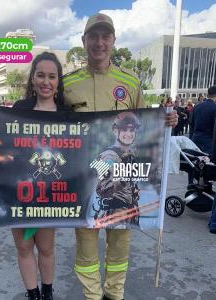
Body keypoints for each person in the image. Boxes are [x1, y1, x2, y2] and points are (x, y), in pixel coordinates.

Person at [63, 13, 178, 300]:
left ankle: (115, 294)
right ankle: (91, 295)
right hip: (84, 181)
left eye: (105, 36)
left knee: (120, 245)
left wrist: (167, 120)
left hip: (126, 181)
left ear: (113, 40)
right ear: (84, 41)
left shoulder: (130, 82)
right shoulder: (67, 84)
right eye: (93, 36)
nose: (99, 43)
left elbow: (147, 125)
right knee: (86, 244)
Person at [0, 52, 71, 300]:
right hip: (18, 190)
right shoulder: (19, 109)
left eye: (52, 76)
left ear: (58, 81)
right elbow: (1, 148)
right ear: (32, 79)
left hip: (52, 194)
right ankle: (33, 294)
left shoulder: (67, 113)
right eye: (40, 75)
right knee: (23, 246)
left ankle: (48, 292)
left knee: (46, 247)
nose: (46, 82)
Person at [95, 112, 141, 225]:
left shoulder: (130, 154)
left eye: (132, 130)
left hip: (129, 210)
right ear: (116, 131)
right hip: (116, 212)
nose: (129, 134)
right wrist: (123, 180)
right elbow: (102, 189)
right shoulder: (108, 156)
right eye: (124, 130)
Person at [189, 85, 216, 156]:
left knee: (195, 162)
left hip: (195, 138)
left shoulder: (197, 106)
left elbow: (191, 123)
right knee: (207, 164)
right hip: (209, 141)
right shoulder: (214, 108)